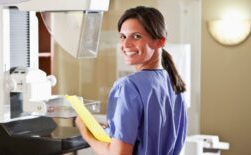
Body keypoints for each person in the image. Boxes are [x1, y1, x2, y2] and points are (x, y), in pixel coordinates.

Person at [75, 6, 187, 155]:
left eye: (136, 36)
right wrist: (112, 132)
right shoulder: (174, 83)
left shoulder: (128, 86)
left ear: (159, 42)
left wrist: (86, 133)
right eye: (122, 36)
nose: (125, 44)